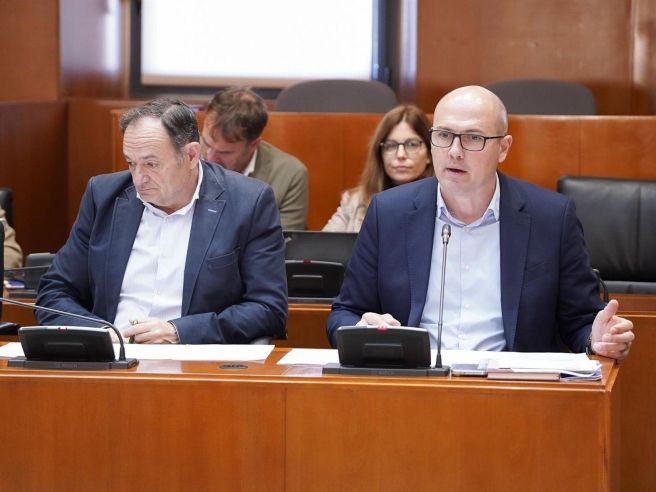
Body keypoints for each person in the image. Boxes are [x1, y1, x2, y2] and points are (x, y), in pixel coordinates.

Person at [327, 85, 634, 360]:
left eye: (473, 138)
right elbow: (345, 312)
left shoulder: (551, 218)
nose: (455, 152)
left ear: (504, 148)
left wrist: (597, 339)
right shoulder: (388, 213)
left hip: (512, 390)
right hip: (416, 384)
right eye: (444, 135)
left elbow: (580, 320)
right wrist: (362, 327)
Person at [36, 98, 287, 344]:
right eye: (131, 163)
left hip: (193, 358)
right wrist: (100, 334)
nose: (138, 179)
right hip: (111, 357)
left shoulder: (248, 202)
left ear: (191, 155)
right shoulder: (103, 196)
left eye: (151, 164)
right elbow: (55, 291)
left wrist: (178, 332)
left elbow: (268, 308)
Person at [201, 87, 308, 230]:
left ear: (253, 145)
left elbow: (282, 240)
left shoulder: (290, 175)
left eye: (225, 152)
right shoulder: (184, 155)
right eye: (206, 143)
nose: (210, 158)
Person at [323, 105, 434, 232]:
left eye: (412, 145)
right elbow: (323, 243)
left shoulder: (444, 204)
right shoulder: (354, 202)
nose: (400, 155)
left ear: (429, 154)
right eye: (391, 145)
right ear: (380, 154)